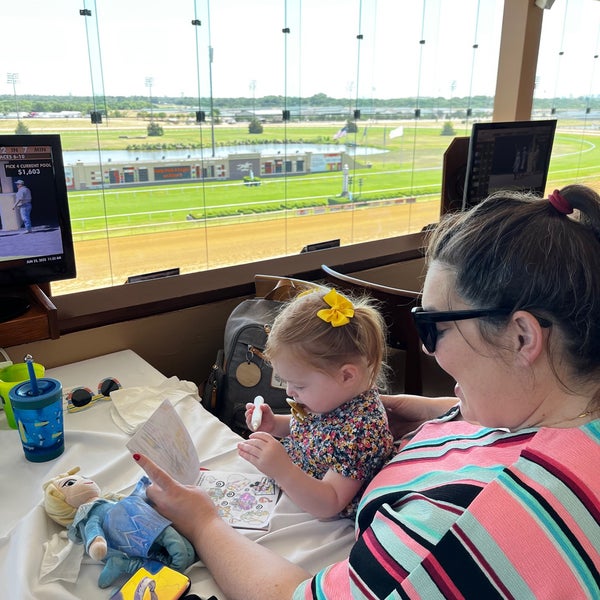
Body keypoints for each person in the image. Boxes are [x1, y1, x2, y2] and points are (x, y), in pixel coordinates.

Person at [132, 183, 600, 599]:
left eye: (433, 326)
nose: (426, 348)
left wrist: (202, 522)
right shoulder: (561, 406)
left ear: (522, 338)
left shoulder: (461, 530)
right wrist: (437, 413)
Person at [238, 287, 395, 519]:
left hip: (319, 506)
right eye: (287, 382)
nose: (290, 391)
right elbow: (314, 431)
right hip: (298, 483)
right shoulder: (330, 400)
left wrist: (283, 471)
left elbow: (330, 503)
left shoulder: (362, 431)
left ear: (346, 376)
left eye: (299, 385)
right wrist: (274, 425)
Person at [43, 467, 196, 588]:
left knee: (187, 551)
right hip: (128, 542)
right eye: (70, 484)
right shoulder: (90, 517)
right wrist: (97, 543)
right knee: (171, 560)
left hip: (148, 523)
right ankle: (122, 564)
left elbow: (131, 501)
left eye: (83, 478)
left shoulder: (110, 500)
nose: (86, 481)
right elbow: (93, 530)